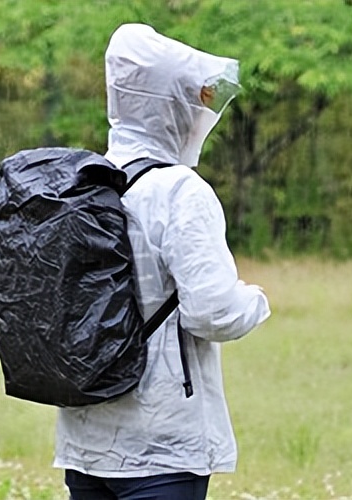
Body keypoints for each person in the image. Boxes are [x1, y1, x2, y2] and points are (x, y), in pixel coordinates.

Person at [53, 23, 271, 500]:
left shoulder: (83, 182)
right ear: (171, 106)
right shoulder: (181, 191)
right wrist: (257, 300)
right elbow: (214, 312)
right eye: (195, 102)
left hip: (85, 439)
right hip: (162, 447)